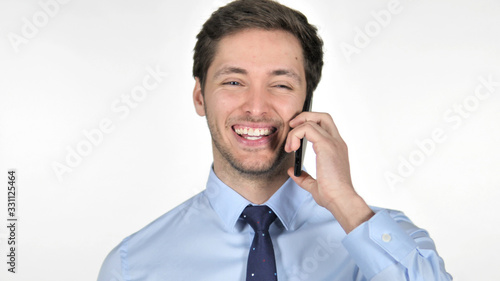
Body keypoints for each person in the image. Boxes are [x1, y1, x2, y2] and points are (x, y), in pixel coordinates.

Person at [97, 0, 452, 280]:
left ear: (307, 103)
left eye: (281, 84)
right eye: (234, 82)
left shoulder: (383, 237)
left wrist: (345, 203)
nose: (256, 107)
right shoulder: (132, 266)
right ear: (200, 97)